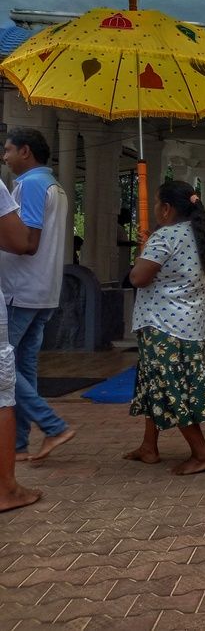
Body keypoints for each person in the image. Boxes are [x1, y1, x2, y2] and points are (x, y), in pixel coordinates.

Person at [125, 181, 205, 475]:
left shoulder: (165, 237)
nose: (154, 209)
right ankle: (149, 446)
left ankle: (202, 453)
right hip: (189, 323)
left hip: (161, 323)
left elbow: (138, 277)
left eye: (156, 204)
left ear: (166, 208)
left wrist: (144, 253)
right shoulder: (203, 237)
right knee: (157, 382)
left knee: (169, 387)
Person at [0, 129, 74, 463]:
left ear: (25, 152)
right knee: (23, 368)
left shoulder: (29, 184)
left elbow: (27, 243)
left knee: (5, 369)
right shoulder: (54, 186)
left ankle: (52, 425)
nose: (5, 157)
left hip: (22, 288)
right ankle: (18, 444)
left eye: (8, 150)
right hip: (43, 289)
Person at [0, 181, 41, 511]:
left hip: (29, 291)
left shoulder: (33, 185)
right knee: (2, 390)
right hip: (33, 290)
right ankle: (6, 489)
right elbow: (19, 240)